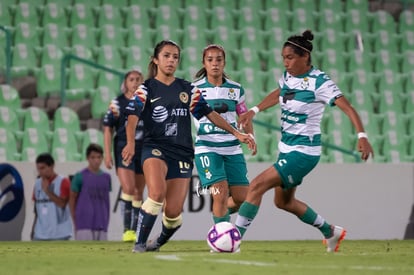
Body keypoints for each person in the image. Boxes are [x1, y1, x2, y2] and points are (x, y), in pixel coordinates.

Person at [235, 30, 374, 252]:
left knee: (257, 185)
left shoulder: (320, 82)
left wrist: (362, 136)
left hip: (304, 152)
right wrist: (254, 110)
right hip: (286, 150)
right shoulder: (288, 76)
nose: (285, 62)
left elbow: (348, 107)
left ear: (305, 57)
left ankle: (232, 240)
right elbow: (280, 92)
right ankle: (331, 232)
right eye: (283, 57)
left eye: (289, 57)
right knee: (283, 202)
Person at [121, 40, 256, 252]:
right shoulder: (145, 88)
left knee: (173, 214)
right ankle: (139, 244)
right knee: (156, 194)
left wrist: (236, 132)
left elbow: (210, 114)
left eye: (175, 57)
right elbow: (132, 116)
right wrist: (130, 143)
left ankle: (157, 242)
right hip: (155, 147)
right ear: (156, 60)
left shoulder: (188, 89)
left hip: (182, 152)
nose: (171, 60)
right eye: (166, 56)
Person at [192, 44, 256, 224]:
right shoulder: (194, 89)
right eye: (210, 60)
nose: (215, 64)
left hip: (232, 148)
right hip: (207, 147)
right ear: (203, 63)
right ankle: (221, 236)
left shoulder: (236, 89)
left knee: (242, 198)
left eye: (218, 60)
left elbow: (244, 116)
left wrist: (250, 136)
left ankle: (219, 213)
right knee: (219, 194)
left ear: (224, 63)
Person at [103, 69, 146, 242]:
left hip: (143, 149)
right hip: (124, 149)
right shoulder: (117, 103)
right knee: (128, 188)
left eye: (138, 79)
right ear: (125, 83)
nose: (135, 82)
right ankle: (127, 229)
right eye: (131, 79)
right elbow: (107, 128)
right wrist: (107, 154)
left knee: (138, 192)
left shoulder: (147, 102)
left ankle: (135, 230)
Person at [69, 143, 112, 241]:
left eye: (99, 157)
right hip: (84, 223)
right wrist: (75, 220)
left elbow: (106, 201)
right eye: (93, 157)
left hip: (102, 222)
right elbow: (72, 199)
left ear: (102, 158)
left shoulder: (106, 177)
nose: (96, 160)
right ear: (87, 158)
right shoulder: (79, 176)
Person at [31, 153, 72, 241]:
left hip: (59, 234)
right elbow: (37, 210)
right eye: (38, 169)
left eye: (43, 168)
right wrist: (33, 229)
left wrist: (47, 191)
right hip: (40, 234)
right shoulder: (37, 184)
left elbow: (62, 204)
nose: (40, 172)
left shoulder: (63, 181)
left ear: (52, 166)